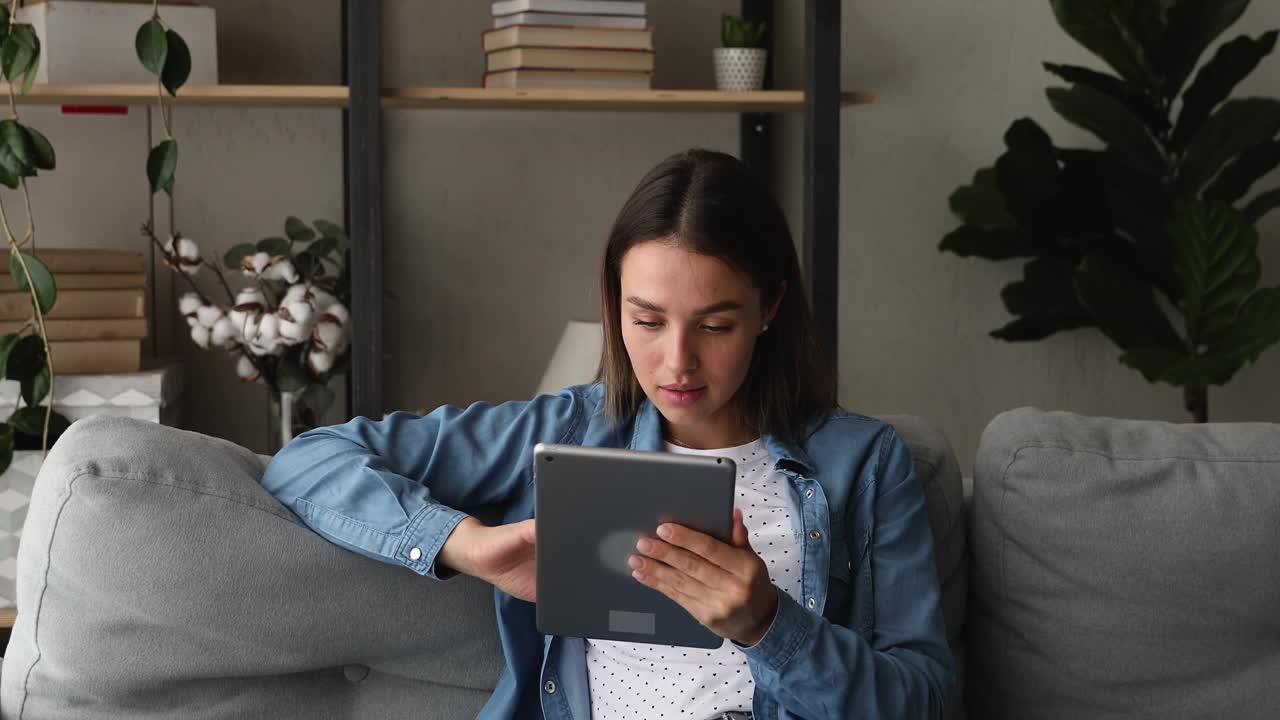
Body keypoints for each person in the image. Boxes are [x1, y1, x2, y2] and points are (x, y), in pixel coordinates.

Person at [261, 148, 954, 719]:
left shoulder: (864, 463)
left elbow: (923, 700)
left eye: (715, 325)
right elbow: (311, 461)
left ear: (769, 306)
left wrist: (769, 626)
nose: (676, 362)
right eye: (646, 321)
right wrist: (466, 544)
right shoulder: (569, 428)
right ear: (614, 303)